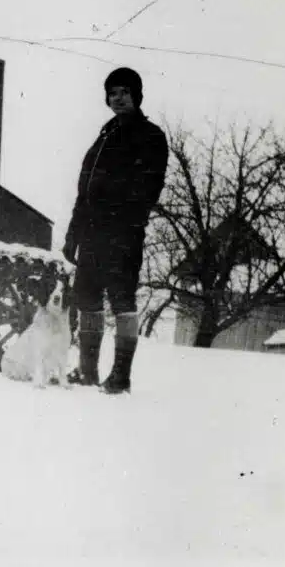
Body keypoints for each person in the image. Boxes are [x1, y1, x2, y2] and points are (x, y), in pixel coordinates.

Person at [63, 67, 169, 394]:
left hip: (122, 234)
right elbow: (85, 192)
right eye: (112, 93)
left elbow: (149, 188)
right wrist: (73, 236)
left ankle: (120, 377)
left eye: (124, 91)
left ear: (136, 96)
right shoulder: (105, 136)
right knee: (88, 299)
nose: (117, 98)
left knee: (122, 300)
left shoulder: (150, 136)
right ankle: (88, 371)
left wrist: (127, 223)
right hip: (92, 233)